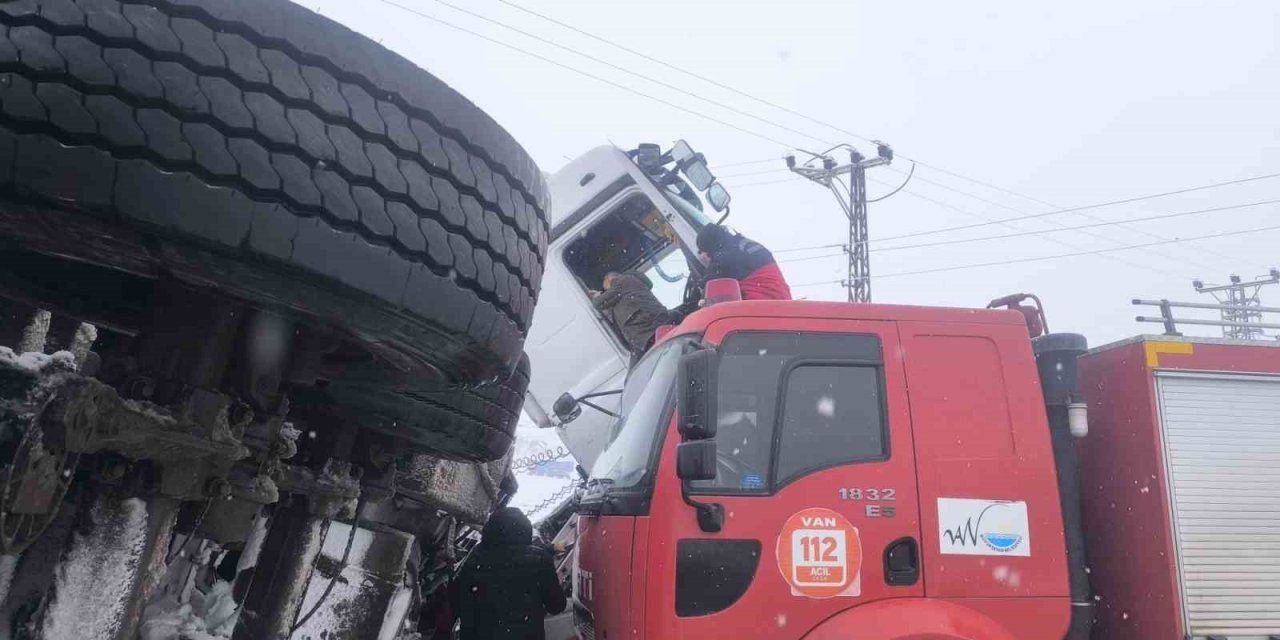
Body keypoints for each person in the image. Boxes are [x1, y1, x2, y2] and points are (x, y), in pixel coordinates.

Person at [449, 507, 566, 640]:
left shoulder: (474, 557)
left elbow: (455, 601)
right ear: (525, 530)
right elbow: (557, 605)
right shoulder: (540, 560)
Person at [695, 224, 793, 301]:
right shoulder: (741, 245)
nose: (707, 256)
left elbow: (707, 286)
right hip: (781, 305)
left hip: (758, 310)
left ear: (710, 246)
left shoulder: (724, 256)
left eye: (704, 251)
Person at [591, 271, 674, 355]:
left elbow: (598, 303)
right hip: (649, 331)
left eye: (605, 288)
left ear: (608, 279)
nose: (606, 290)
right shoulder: (628, 284)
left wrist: (598, 295)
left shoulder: (620, 281)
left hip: (647, 332)